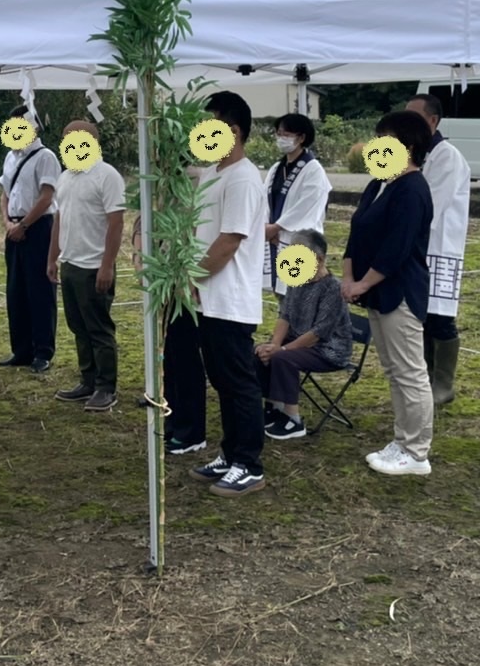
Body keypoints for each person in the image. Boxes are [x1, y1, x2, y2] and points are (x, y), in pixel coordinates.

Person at [342, 110, 436, 477]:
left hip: (398, 290)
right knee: (395, 370)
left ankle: (416, 451)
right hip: (374, 290)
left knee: (410, 371)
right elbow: (358, 233)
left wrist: (362, 283)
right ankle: (403, 439)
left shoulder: (413, 188)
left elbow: (397, 248)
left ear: (408, 146)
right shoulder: (379, 182)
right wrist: (349, 276)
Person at [187, 91, 268, 497]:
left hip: (230, 298)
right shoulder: (216, 172)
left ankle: (249, 463)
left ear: (233, 131)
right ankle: (230, 452)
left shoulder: (243, 178)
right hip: (210, 297)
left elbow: (228, 242)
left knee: (239, 383)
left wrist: (191, 279)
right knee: (221, 379)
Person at [131, 161, 211, 453]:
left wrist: (183, 277)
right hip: (162, 280)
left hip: (182, 284)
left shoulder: (194, 180)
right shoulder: (160, 178)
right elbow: (144, 219)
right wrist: (141, 255)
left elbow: (193, 232)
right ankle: (174, 418)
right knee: (170, 356)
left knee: (185, 355)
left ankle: (192, 431)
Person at [48, 120, 126, 412]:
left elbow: (116, 222)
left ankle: (107, 387)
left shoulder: (107, 176)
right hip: (70, 262)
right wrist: (52, 258)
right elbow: (59, 219)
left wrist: (107, 265)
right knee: (78, 326)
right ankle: (88, 380)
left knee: (98, 328)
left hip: (94, 265)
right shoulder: (66, 176)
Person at [255, 228, 354, 440]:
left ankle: (293, 419)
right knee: (260, 352)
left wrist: (280, 350)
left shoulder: (332, 289)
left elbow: (318, 333)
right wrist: (274, 344)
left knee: (283, 358)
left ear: (318, 259)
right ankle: (273, 407)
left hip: (328, 349)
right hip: (299, 342)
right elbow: (285, 315)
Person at [406, 93, 472, 405]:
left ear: (433, 121)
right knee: (419, 315)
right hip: (414, 246)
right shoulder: (414, 153)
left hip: (438, 246)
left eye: (415, 116)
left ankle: (443, 384)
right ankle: (426, 378)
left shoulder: (447, 156)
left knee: (440, 316)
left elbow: (429, 204)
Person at [0, 107, 61, 373]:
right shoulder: (10, 157)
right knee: (16, 289)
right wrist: (9, 224)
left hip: (38, 227)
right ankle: (21, 349)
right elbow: (4, 194)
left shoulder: (46, 157)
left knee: (40, 290)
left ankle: (43, 351)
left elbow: (47, 196)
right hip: (14, 228)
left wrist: (24, 224)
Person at [262, 113, 332, 298]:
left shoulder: (313, 169)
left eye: (286, 134)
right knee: (282, 297)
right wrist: (267, 228)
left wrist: (277, 227)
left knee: (301, 296)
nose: (281, 138)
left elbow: (308, 206)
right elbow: (264, 201)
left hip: (299, 241)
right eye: (278, 133)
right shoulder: (276, 168)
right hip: (275, 239)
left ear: (301, 137)